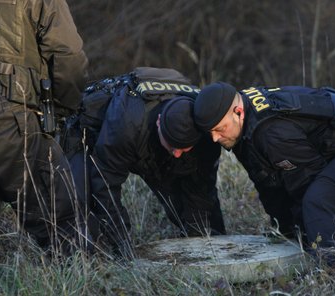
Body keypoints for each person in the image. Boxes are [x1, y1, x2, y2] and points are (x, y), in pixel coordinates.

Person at [194, 82, 335, 261]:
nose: (214, 138)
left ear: (238, 112)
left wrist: (309, 237)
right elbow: (269, 185)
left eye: (219, 129)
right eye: (210, 132)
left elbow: (306, 183)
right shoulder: (243, 125)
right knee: (301, 214)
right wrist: (286, 231)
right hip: (333, 144)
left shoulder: (270, 133)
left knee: (318, 199)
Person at [63, 68, 226, 256]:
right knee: (82, 207)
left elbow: (202, 190)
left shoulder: (207, 135)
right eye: (173, 147)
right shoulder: (126, 127)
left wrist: (203, 238)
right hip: (94, 134)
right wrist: (121, 245)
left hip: (152, 139)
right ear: (158, 124)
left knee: (194, 209)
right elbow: (105, 186)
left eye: (184, 148)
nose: (177, 154)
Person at [0, 0, 88, 284]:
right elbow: (69, 54)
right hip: (10, 114)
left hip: (6, 115)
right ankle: (81, 286)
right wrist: (62, 110)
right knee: (62, 224)